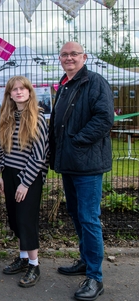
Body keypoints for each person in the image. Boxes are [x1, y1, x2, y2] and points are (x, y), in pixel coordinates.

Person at [49, 41, 113, 301]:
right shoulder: (64, 85)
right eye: (64, 55)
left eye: (74, 54)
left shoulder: (94, 82)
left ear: (84, 57)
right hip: (69, 164)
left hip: (87, 164)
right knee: (77, 215)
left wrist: (77, 140)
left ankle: (95, 278)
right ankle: (86, 261)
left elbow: (104, 118)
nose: (69, 58)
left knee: (88, 218)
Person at [0, 76, 49, 287]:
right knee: (15, 219)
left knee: (26, 220)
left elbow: (39, 155)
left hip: (29, 177)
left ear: (29, 92)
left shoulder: (38, 118)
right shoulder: (7, 117)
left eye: (22, 89)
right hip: (8, 173)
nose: (18, 92)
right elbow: (0, 148)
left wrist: (25, 183)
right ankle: (23, 258)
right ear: (9, 95)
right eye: (13, 90)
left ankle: (34, 265)